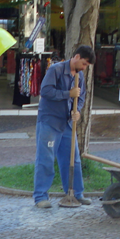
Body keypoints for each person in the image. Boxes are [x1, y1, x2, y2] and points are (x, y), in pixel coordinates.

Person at [33, 45, 95, 208]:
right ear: (76, 57)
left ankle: (76, 193)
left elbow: (80, 97)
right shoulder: (56, 70)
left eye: (86, 66)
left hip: (68, 123)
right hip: (50, 122)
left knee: (72, 159)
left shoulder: (79, 76)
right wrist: (68, 94)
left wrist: (77, 111)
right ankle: (40, 197)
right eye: (84, 63)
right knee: (45, 159)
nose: (84, 68)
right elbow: (45, 91)